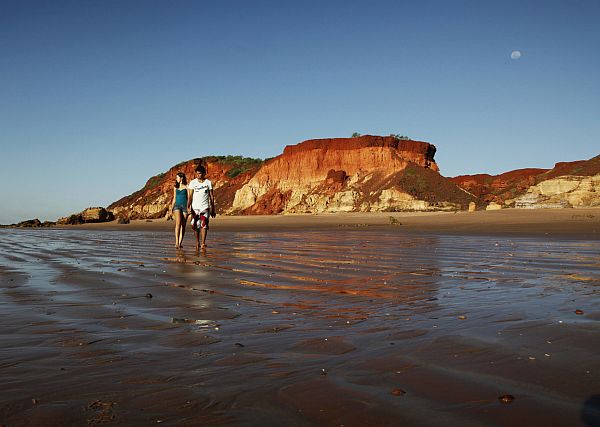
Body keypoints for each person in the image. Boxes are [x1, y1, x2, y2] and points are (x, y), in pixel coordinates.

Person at [187, 165, 215, 249]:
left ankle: (203, 243)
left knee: (204, 224)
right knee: (194, 225)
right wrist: (188, 206)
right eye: (196, 173)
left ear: (203, 173)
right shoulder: (193, 183)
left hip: (205, 207)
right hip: (195, 208)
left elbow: (211, 196)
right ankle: (197, 242)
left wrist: (213, 208)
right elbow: (190, 196)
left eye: (199, 173)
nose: (197, 175)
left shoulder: (208, 182)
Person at [170, 172, 189, 248]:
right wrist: (171, 208)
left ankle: (180, 242)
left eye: (177, 177)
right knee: (178, 223)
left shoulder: (187, 187)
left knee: (183, 225)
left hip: (185, 206)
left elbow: (189, 198)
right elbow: (174, 198)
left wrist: (189, 207)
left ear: (181, 178)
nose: (176, 179)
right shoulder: (175, 187)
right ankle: (177, 242)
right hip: (177, 206)